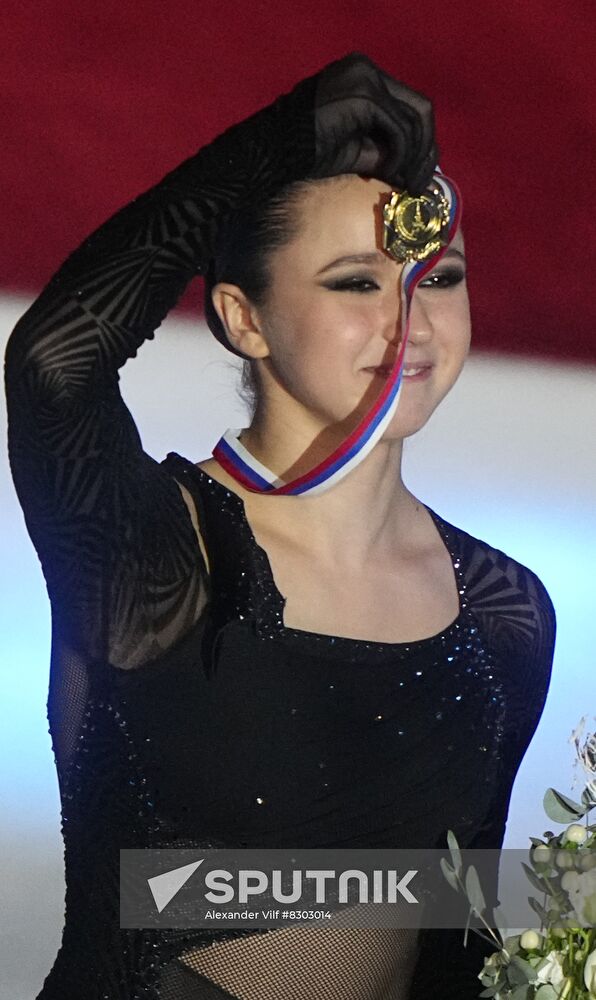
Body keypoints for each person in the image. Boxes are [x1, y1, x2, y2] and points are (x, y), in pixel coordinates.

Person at [4, 53, 555, 1000]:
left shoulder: (505, 609)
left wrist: (568, 905)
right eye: (353, 282)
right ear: (243, 318)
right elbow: (56, 361)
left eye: (440, 273)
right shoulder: (163, 559)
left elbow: (453, 928)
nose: (409, 321)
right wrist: (278, 143)